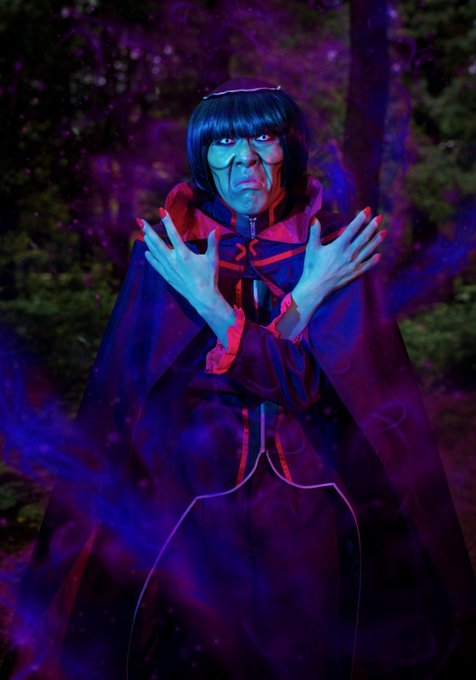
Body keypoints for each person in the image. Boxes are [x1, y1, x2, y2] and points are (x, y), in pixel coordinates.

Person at [3, 77, 475, 679]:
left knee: (308, 651)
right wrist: (292, 308)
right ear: (203, 156)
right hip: (192, 498)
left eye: (263, 137)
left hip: (311, 495)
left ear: (288, 149)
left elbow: (312, 389)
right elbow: (159, 394)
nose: (244, 159)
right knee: (195, 653)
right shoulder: (171, 254)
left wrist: (253, 302)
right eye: (224, 141)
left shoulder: (333, 251)